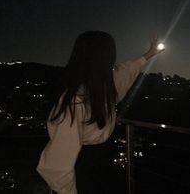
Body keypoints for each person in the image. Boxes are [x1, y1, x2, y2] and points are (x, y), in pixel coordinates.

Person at [36, 31, 164, 194]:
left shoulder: (103, 86)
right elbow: (58, 163)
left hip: (102, 162)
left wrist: (149, 54)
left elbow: (125, 71)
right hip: (83, 169)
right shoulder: (75, 100)